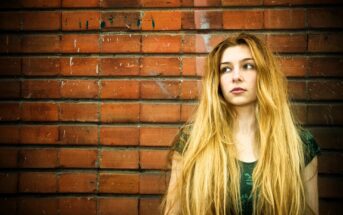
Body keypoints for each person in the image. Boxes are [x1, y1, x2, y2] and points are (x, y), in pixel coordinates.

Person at [161, 33, 321, 215]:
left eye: (247, 66)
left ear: (264, 74)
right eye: (226, 69)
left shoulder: (300, 145)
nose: (236, 76)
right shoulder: (191, 143)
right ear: (218, 80)